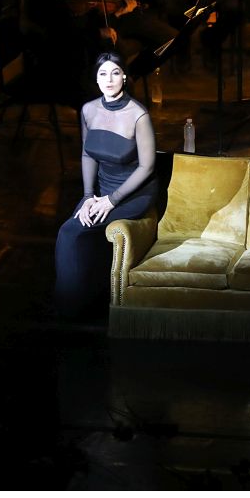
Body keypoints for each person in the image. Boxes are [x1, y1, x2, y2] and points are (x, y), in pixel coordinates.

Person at [53, 50, 156, 320]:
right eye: (103, 74)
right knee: (74, 230)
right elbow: (88, 154)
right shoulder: (88, 110)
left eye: (115, 73)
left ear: (124, 77)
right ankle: (81, 302)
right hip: (101, 188)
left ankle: (70, 310)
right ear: (96, 79)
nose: (109, 80)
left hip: (133, 192)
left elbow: (147, 167)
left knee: (71, 233)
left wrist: (112, 200)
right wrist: (89, 196)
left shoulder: (138, 115)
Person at [21, 0, 117, 108]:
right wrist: (99, 33)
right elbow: (67, 37)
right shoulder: (47, 4)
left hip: (66, 65)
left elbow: (71, 30)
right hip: (56, 74)